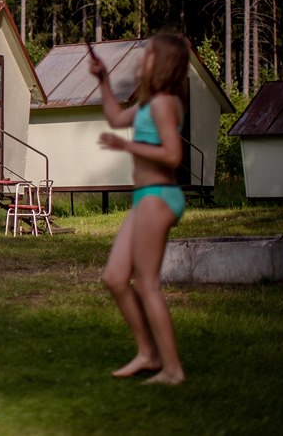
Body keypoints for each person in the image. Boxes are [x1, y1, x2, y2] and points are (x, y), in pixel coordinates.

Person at [89, 33, 189, 386]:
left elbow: (173, 156)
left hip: (159, 195)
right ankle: (148, 354)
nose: (142, 59)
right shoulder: (149, 104)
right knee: (115, 278)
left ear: (162, 63)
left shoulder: (164, 103)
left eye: (149, 55)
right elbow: (116, 117)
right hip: (144, 197)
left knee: (147, 284)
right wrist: (103, 81)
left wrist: (127, 147)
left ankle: (172, 370)